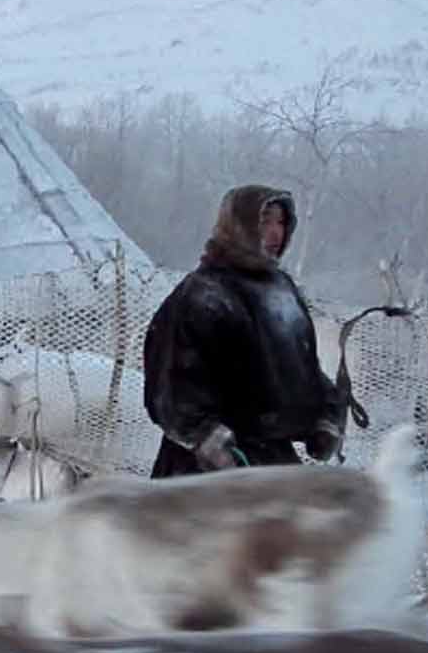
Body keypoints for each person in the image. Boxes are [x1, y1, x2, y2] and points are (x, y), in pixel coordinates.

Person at [141, 184, 347, 479]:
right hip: (205, 470)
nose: (276, 233)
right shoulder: (203, 294)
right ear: (237, 226)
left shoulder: (282, 290)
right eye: (265, 221)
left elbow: (301, 369)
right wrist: (206, 437)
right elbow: (170, 385)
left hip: (272, 461)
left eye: (282, 222)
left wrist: (325, 415)